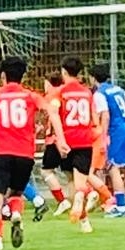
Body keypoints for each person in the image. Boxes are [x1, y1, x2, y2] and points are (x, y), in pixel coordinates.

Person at [0, 57, 66, 250]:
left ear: (2, 76)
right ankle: (16, 213)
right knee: (16, 191)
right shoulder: (30, 96)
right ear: (22, 76)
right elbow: (52, 112)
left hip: (0, 153)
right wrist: (60, 140)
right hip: (25, 155)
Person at [57, 58, 112, 233]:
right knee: (80, 179)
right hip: (84, 140)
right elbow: (94, 119)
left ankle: (83, 207)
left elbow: (55, 114)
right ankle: (84, 219)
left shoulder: (61, 92)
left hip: (66, 140)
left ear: (64, 72)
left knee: (72, 182)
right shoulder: (87, 93)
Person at [91, 64, 125, 216]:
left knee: (113, 168)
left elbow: (105, 116)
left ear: (93, 78)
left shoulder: (99, 94)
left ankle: (120, 207)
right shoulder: (119, 89)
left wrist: (103, 136)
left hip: (116, 132)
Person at [37, 73, 71, 216]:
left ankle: (62, 201)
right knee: (71, 173)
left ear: (49, 83)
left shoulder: (51, 96)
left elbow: (52, 117)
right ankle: (85, 197)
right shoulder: (66, 94)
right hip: (69, 137)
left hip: (55, 139)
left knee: (46, 171)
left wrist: (46, 130)